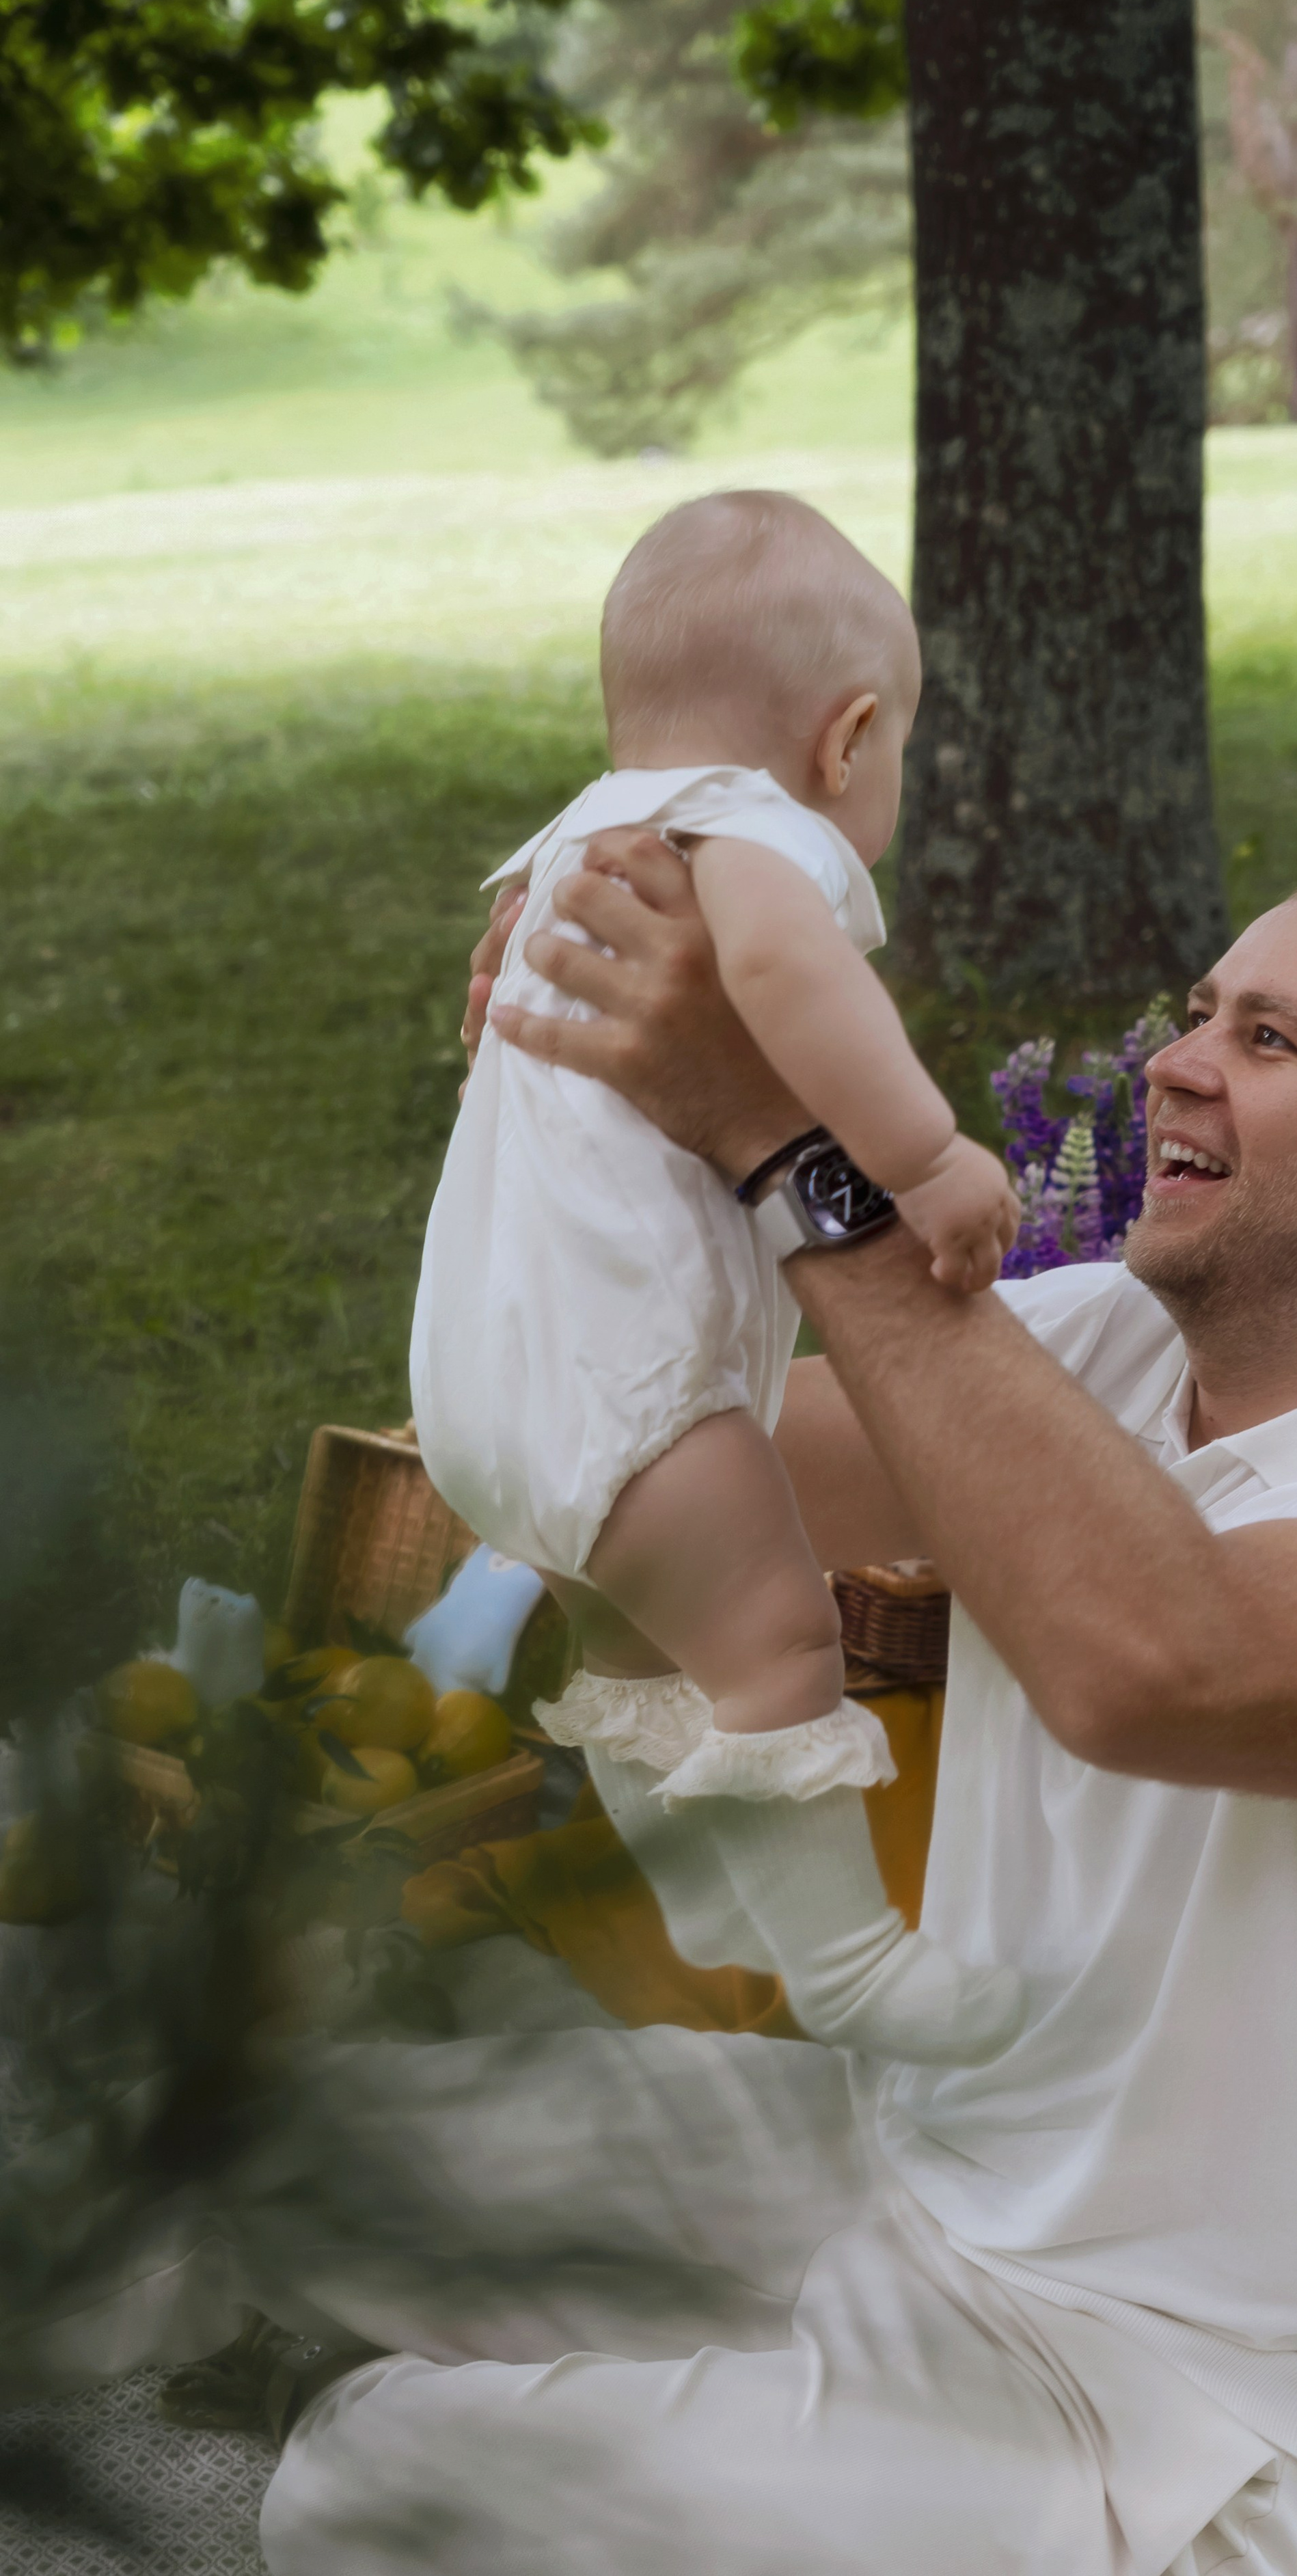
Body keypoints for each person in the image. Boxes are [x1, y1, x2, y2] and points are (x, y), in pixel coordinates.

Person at [31, 844, 1297, 2576]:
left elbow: (1145, 1662)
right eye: (1196, 1014)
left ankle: (430, 2403)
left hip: (1145, 2382)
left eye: (1267, 1039)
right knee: (239, 2150)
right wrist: (579, 1120)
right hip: (875, 2153)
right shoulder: (1097, 1341)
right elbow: (634, 1495)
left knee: (376, 2484)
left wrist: (789, 1148)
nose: (1175, 1064)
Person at [411, 489, 1023, 2067]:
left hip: (482, 1392)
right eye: (895, 754)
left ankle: (708, 1907)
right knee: (776, 1644)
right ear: (849, 736)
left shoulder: (571, 853)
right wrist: (924, 1157)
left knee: (643, 1653)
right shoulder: (753, 834)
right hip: (628, 1393)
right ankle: (853, 1969)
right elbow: (776, 969)